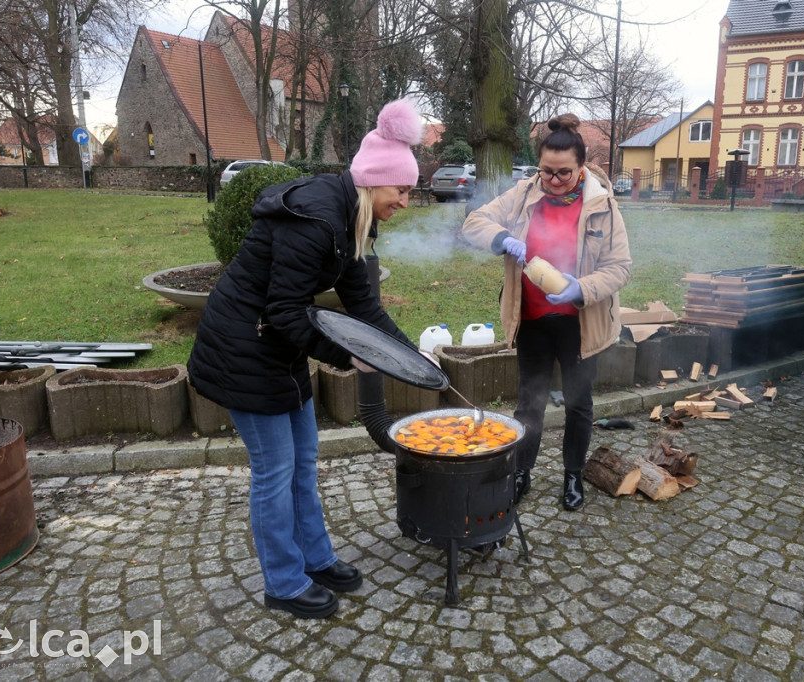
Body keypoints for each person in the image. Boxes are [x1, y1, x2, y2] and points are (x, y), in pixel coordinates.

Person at [187, 99, 423, 619]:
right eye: (402, 190)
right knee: (275, 469)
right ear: (374, 181)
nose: (407, 201)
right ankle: (284, 582)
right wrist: (351, 357)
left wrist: (416, 360)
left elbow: (365, 309)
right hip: (244, 345)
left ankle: (314, 559)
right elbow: (286, 312)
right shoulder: (317, 220)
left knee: (304, 461)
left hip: (276, 344)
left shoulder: (351, 218)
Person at [461, 113, 631, 511]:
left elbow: (620, 267)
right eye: (546, 172)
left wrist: (581, 288)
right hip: (534, 319)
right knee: (529, 402)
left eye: (563, 174)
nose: (553, 182)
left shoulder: (602, 205)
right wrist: (502, 238)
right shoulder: (523, 194)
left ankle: (573, 476)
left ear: (582, 167)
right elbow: (474, 222)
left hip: (580, 322)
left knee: (577, 402)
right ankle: (521, 472)